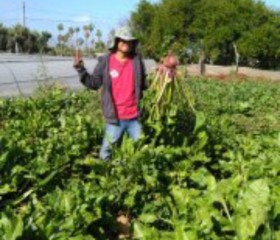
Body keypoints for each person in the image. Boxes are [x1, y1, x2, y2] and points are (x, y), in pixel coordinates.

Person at [74, 26, 146, 161]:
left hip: (134, 116)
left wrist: (163, 75)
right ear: (116, 41)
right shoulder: (106, 61)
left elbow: (143, 85)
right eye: (123, 40)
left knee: (141, 150)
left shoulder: (137, 61)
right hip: (115, 117)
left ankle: (133, 175)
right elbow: (94, 83)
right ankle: (105, 176)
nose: (126, 43)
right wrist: (81, 70)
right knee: (106, 153)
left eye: (129, 40)